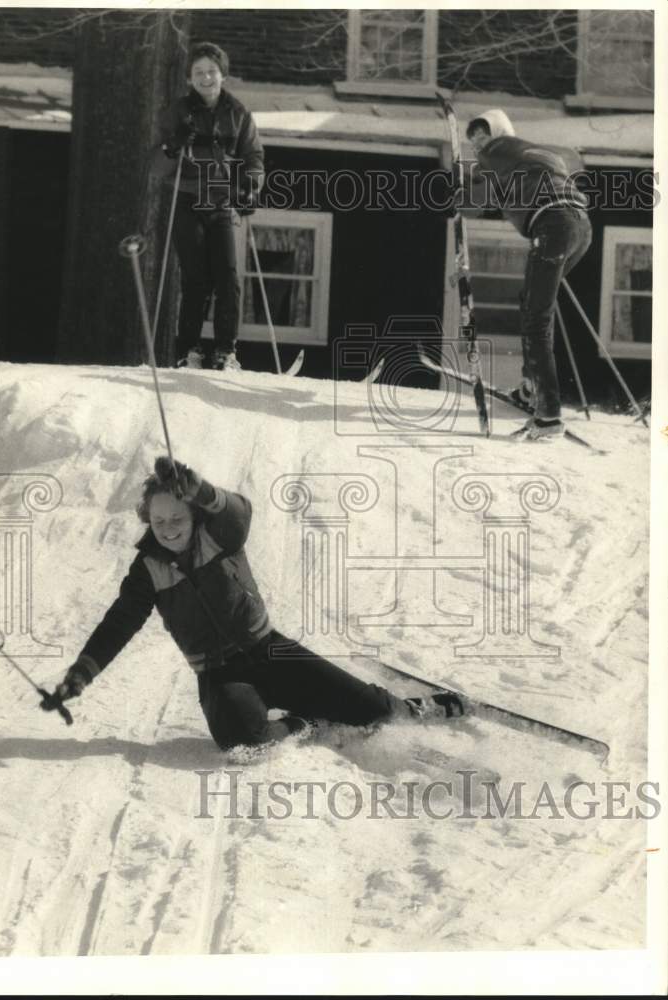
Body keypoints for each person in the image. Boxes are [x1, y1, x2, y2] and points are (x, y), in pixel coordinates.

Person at [43, 457, 463, 750]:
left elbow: (240, 512)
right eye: (159, 521)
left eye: (177, 518)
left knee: (373, 712)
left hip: (270, 651)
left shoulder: (219, 535)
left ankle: (417, 707)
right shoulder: (148, 569)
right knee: (243, 741)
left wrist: (200, 489)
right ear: (147, 521)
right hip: (219, 675)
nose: (169, 529)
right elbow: (119, 624)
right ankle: (305, 723)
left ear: (193, 515)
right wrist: (81, 674)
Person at [460, 110, 592, 441]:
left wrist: (459, 187)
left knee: (536, 318)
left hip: (553, 225)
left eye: (482, 137)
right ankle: (532, 388)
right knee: (534, 305)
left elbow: (470, 204)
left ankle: (548, 417)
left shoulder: (497, 151)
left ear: (499, 133)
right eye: (474, 141)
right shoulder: (533, 153)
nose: (478, 145)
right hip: (580, 226)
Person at [160, 42, 264, 372]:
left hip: (221, 200)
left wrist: (249, 187)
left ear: (223, 75)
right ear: (190, 78)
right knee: (196, 278)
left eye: (211, 71)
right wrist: (173, 146)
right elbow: (155, 165)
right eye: (198, 73)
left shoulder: (238, 113)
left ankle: (225, 351)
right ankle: (188, 350)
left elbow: (254, 158)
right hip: (188, 198)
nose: (206, 78)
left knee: (228, 277)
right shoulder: (178, 111)